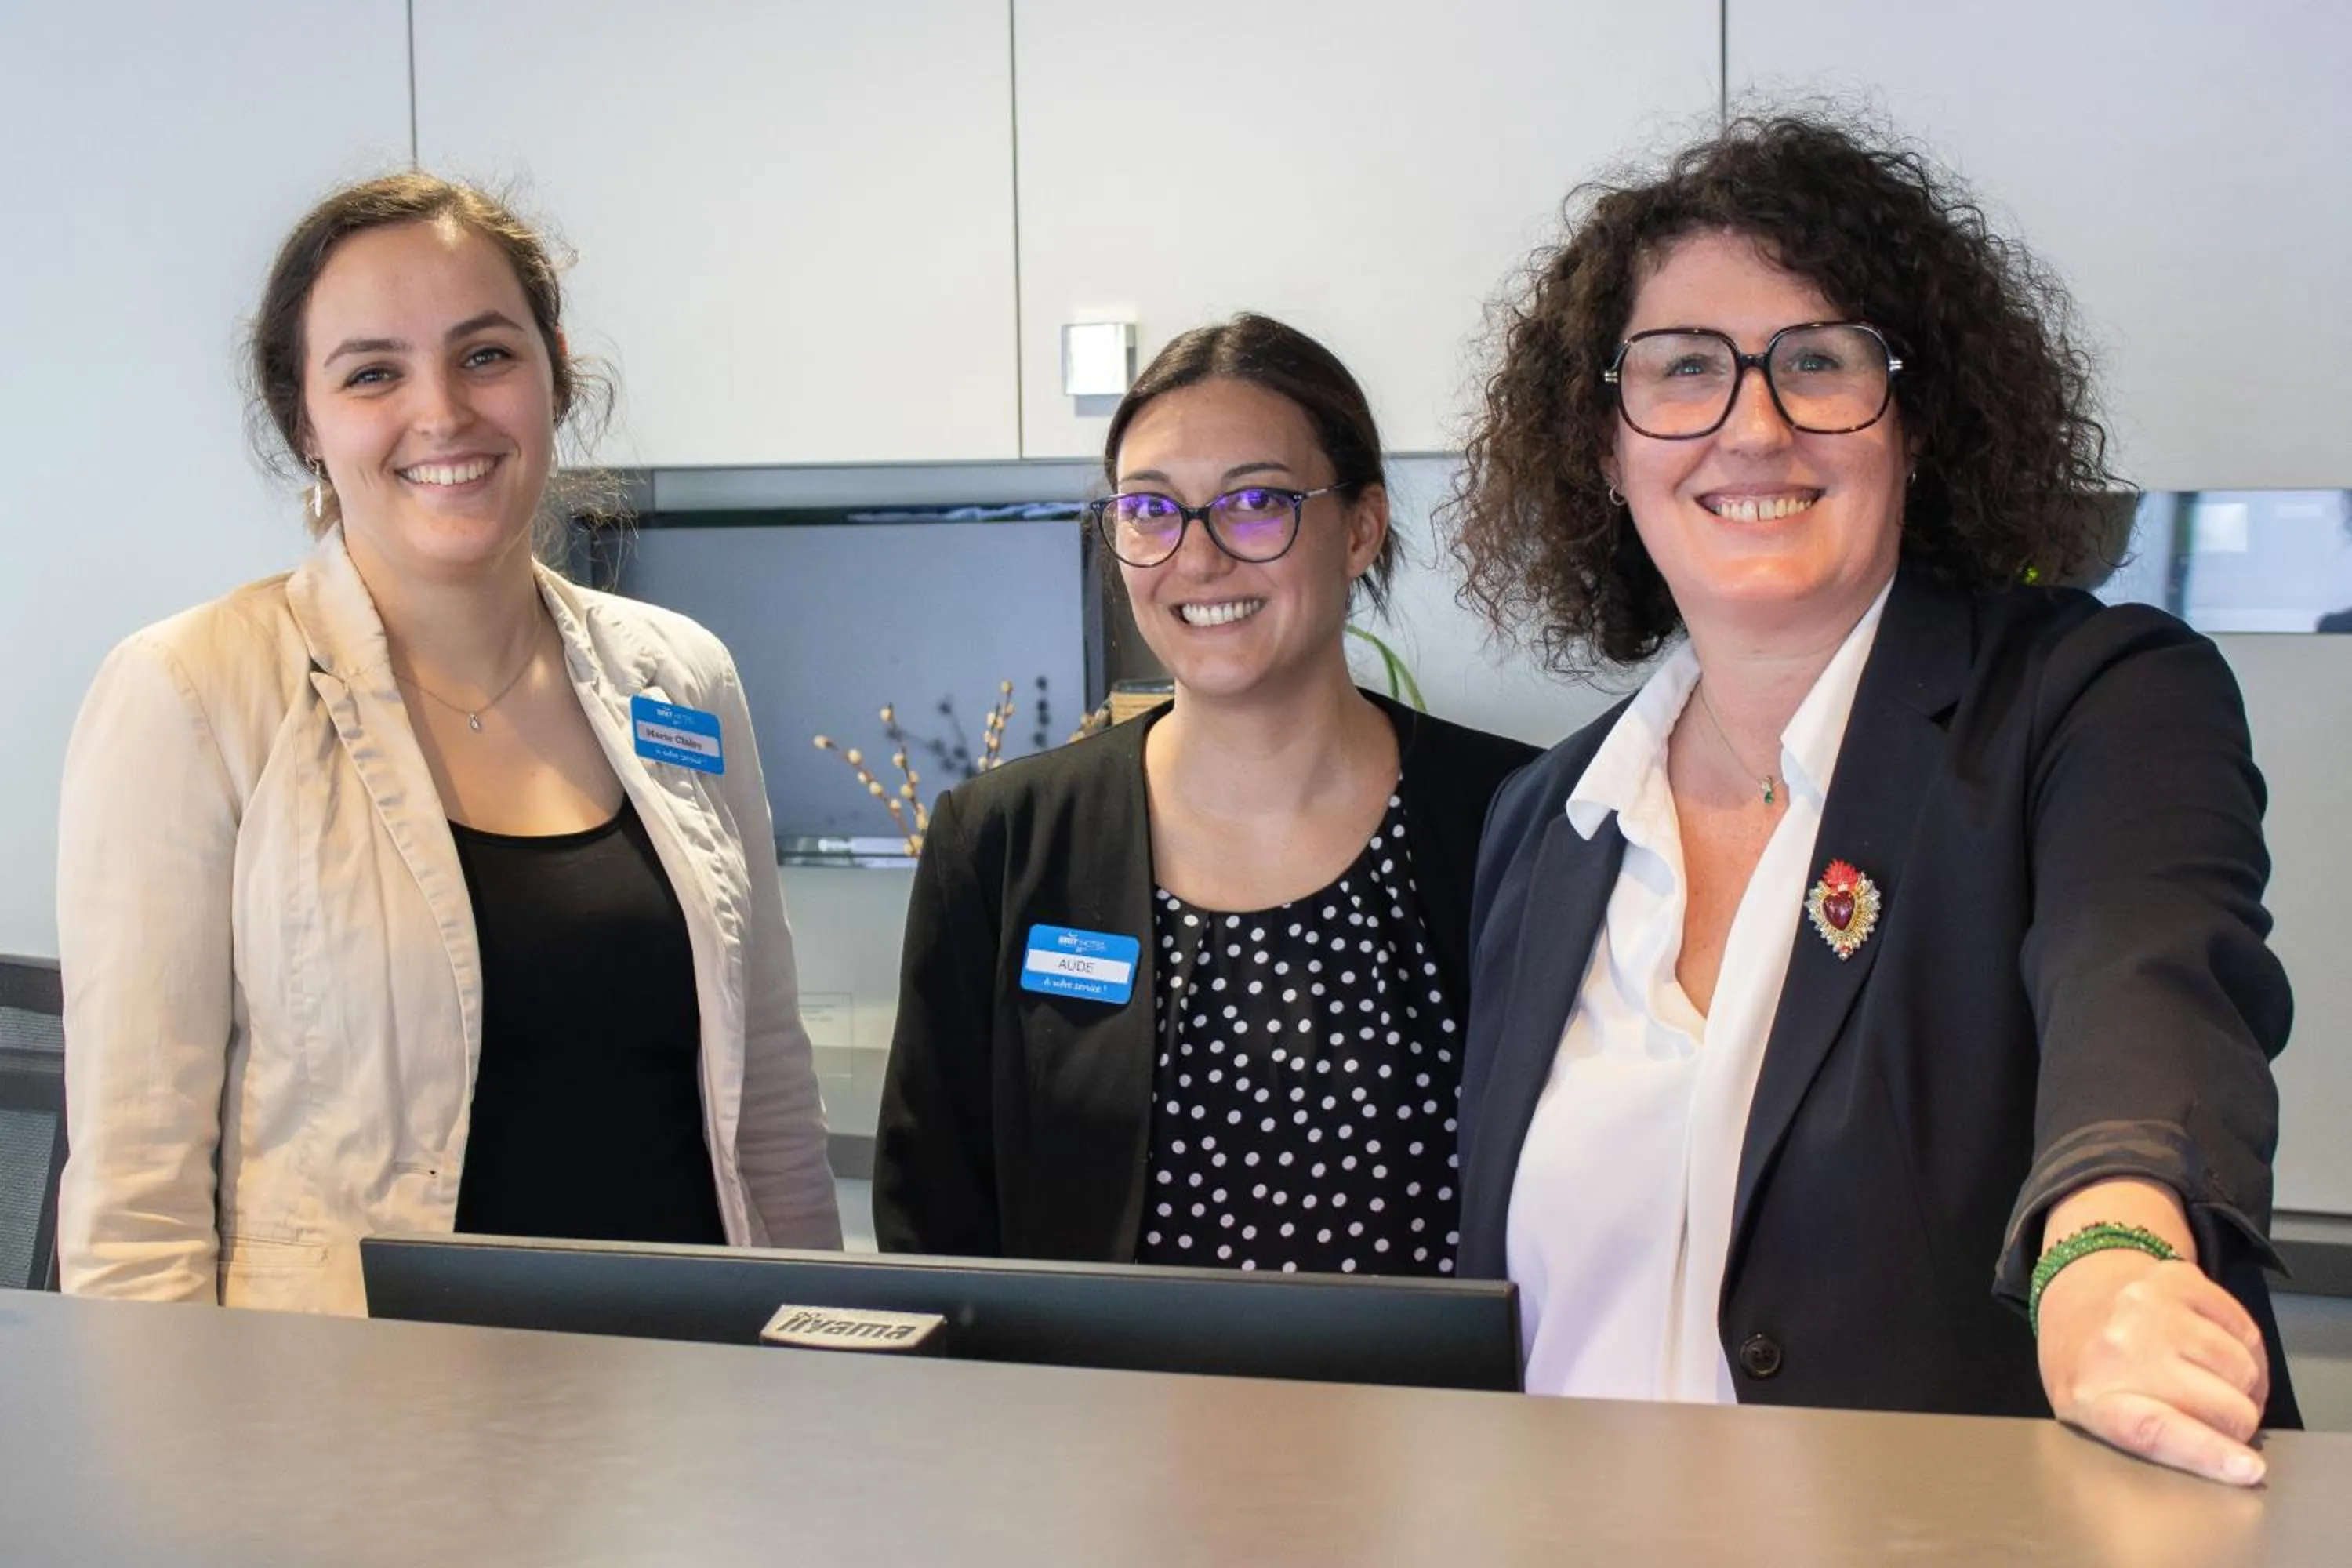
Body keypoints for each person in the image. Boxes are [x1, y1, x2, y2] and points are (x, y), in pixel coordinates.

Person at [1444, 114, 2296, 1483]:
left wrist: (2110, 1248)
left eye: (1820, 363)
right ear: (1606, 447)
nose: (1755, 428)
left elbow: (2142, 983)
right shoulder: (1549, 823)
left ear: (1916, 420)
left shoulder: (2090, 703)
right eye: (1682, 372)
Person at [56, 173, 840, 1315]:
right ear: (304, 423)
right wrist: (182, 1484)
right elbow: (137, 1203)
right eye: (374, 372)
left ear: (554, 373)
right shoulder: (192, 693)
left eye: (485, 355)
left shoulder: (683, 678)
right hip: (356, 1447)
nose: (443, 413)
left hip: (688, 1429)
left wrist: (819, 1375)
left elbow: (768, 1098)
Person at [875, 314, 1537, 1274]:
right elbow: (933, 1220)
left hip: (1430, 1419)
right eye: (1149, 509)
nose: (1197, 556)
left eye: (1256, 501)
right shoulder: (1004, 841)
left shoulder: (1515, 820)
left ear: (1360, 528)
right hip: (1101, 1419)